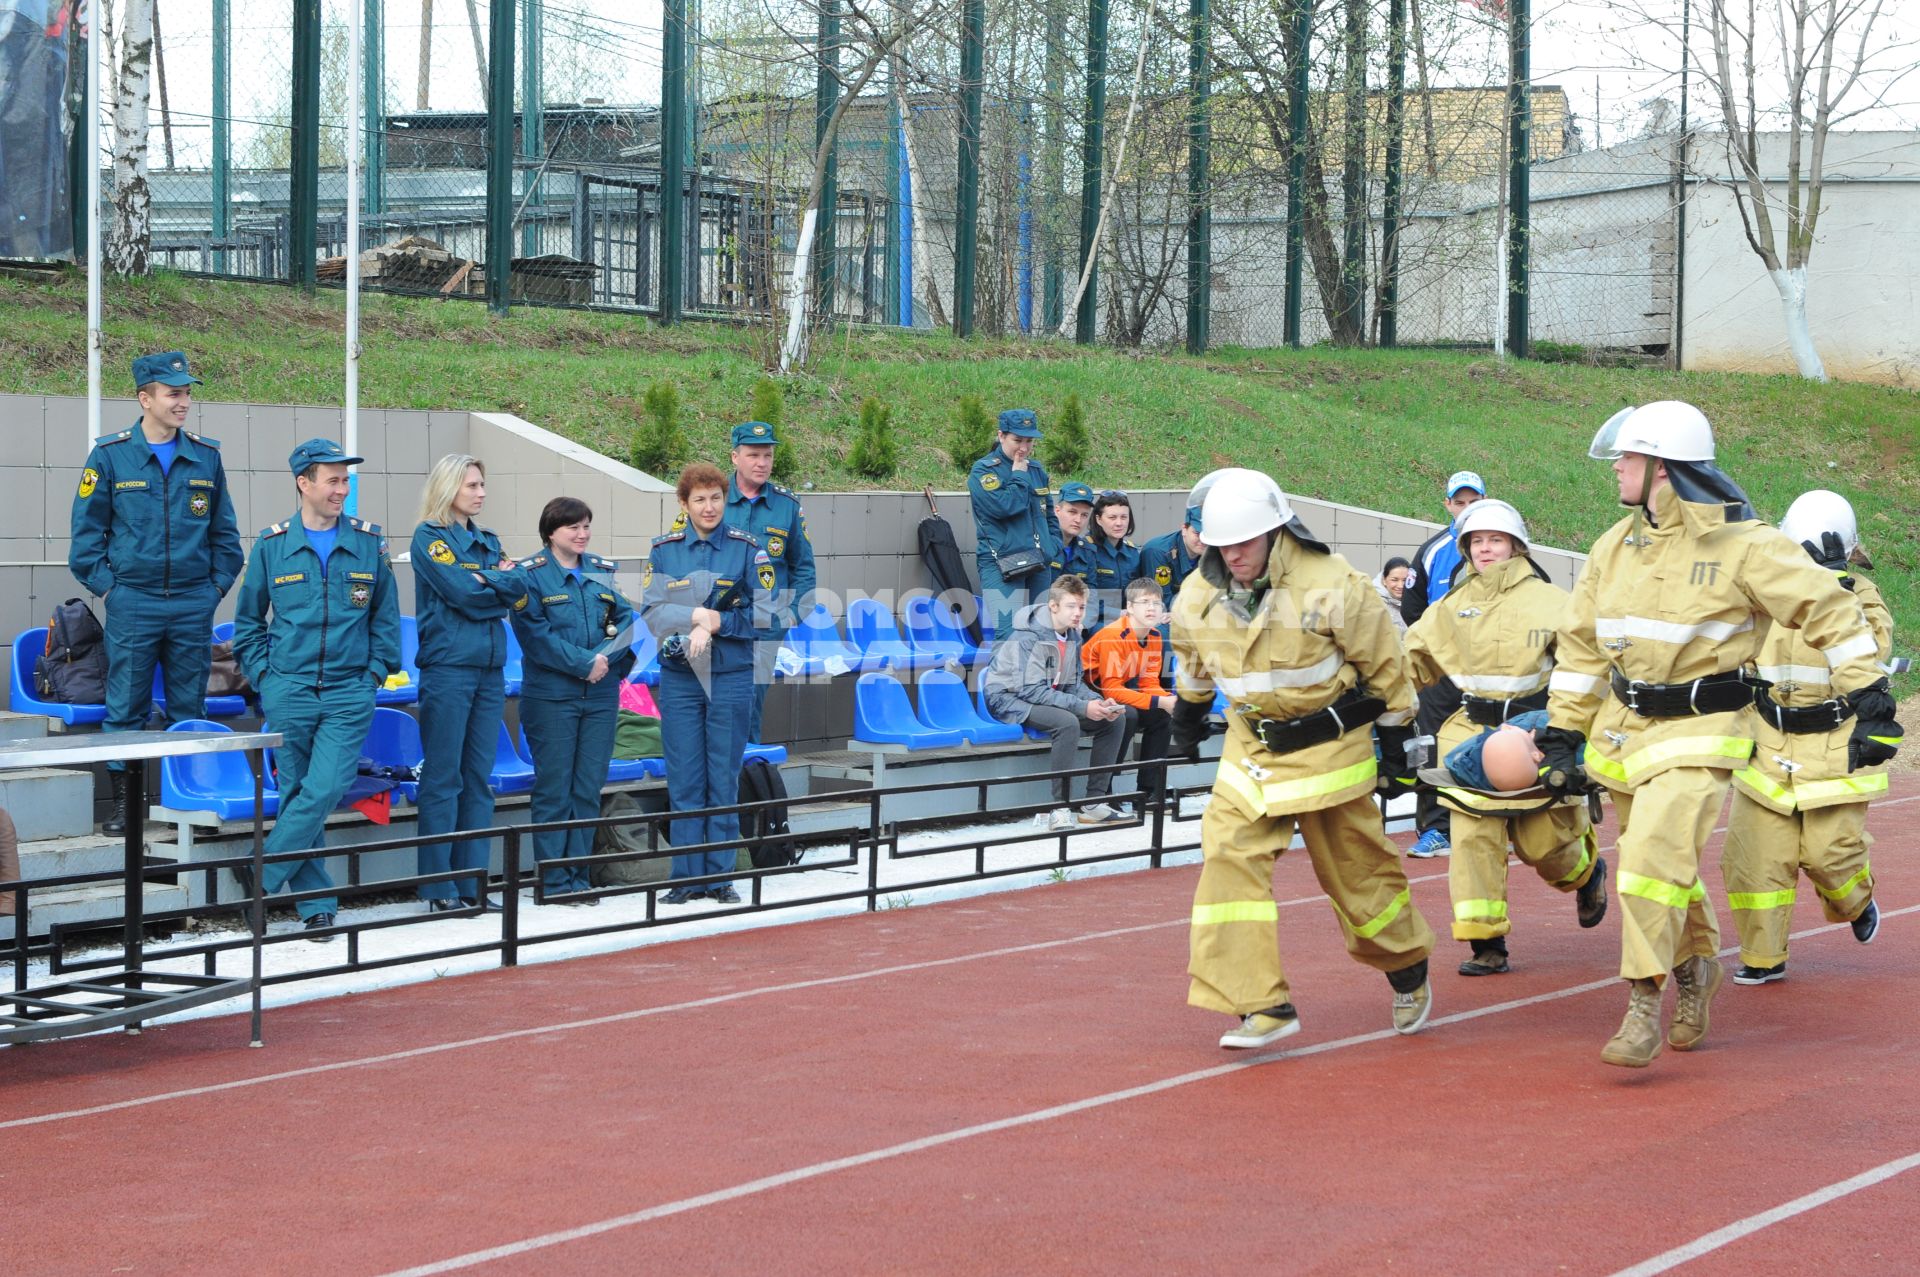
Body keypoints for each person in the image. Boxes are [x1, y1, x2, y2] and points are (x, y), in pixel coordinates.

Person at [1538, 402, 1899, 1068]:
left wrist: (1870, 696)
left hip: (1702, 732)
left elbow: (1830, 608)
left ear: (1664, 468)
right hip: (1624, 733)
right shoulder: (1612, 546)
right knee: (1668, 867)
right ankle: (1697, 967)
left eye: (1629, 456)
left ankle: (1643, 998)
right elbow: (1583, 648)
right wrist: (1563, 732)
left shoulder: (1746, 544)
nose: (1616, 465)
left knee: (1648, 862)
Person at [1167, 468, 1436, 1049]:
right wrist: (1186, 719)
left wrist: (1397, 748)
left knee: (1358, 878)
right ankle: (1260, 1004)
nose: (1233, 554)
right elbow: (1192, 661)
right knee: (1227, 859)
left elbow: (1386, 668)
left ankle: (1406, 964)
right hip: (1252, 751)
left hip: (1328, 751)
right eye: (1221, 545)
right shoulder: (1196, 594)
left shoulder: (1333, 582)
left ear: (1274, 531)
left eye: (1245, 542)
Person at [1402, 499, 1608, 977]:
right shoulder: (1450, 606)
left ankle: (1586, 872)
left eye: (1495, 540)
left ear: (1516, 545)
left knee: (1543, 845)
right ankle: (1485, 942)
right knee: (1471, 838)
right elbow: (1409, 662)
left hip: (1536, 735)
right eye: (1476, 541)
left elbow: (1587, 666)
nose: (1485, 549)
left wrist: (1576, 736)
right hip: (1469, 737)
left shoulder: (1555, 602)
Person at [1721, 489, 1895, 985]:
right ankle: (1762, 956)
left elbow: (1874, 645)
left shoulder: (1859, 593)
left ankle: (1855, 902)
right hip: (1767, 741)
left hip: (1832, 743)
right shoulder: (1761, 589)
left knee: (1829, 857)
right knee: (1752, 859)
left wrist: (1835, 584)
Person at [69, 351, 243, 835]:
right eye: (174, 393)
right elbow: (85, 540)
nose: (184, 401)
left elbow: (225, 538)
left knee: (191, 708)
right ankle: (127, 806)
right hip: (134, 601)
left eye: (187, 392)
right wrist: (112, 592)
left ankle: (189, 801)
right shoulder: (109, 455)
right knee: (125, 707)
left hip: (192, 602)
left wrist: (212, 591)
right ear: (145, 398)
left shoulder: (206, 456)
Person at [232, 439, 400, 939]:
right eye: (333, 480)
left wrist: (373, 673)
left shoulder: (369, 543)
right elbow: (247, 624)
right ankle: (316, 906)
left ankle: (260, 874)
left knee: (324, 787)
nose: (341, 490)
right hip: (290, 689)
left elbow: (385, 620)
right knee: (296, 794)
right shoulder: (271, 545)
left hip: (350, 691)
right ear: (304, 483)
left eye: (345, 481)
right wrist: (266, 678)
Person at [644, 462, 775, 905]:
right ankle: (686, 878)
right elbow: (653, 612)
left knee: (722, 776)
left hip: (731, 676)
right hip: (681, 678)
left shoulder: (747, 550)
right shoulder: (664, 551)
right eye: (699, 499)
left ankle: (719, 878)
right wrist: (696, 617)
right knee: (684, 779)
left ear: (725, 499)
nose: (709, 506)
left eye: (716, 497)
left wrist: (717, 622)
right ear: (684, 505)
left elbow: (767, 613)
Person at [410, 455, 526, 913]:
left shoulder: (487, 540)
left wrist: (489, 581)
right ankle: (440, 886)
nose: (480, 492)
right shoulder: (429, 538)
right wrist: (493, 584)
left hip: (489, 669)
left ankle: (471, 882)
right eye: (472, 485)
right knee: (443, 777)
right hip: (449, 668)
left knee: (479, 777)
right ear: (449, 487)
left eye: (482, 484)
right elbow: (462, 593)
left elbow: (517, 591)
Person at [511, 497, 636, 904]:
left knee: (586, 788)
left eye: (586, 526)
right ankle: (552, 880)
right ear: (551, 532)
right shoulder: (530, 576)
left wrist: (604, 660)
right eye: (573, 528)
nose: (582, 534)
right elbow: (534, 635)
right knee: (554, 789)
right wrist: (585, 663)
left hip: (599, 697)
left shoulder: (601, 571)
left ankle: (578, 879)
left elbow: (628, 622)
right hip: (552, 698)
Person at [982, 574, 1129, 831]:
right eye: (1071, 606)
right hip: (1008, 698)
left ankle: (1094, 803)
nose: (1077, 613)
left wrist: (1099, 702)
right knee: (1067, 722)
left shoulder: (1072, 636)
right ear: (1053, 606)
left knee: (1114, 720)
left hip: (1042, 695)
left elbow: (1073, 684)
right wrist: (1082, 707)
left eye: (1081, 607)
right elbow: (1031, 691)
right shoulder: (1029, 637)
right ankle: (1059, 808)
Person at [1402, 472, 1486, 860]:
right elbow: (1411, 606)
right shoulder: (1434, 549)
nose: (1466, 509)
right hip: (1440, 672)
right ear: (1448, 505)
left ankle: (1493, 820)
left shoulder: (1502, 546)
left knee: (1489, 741)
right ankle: (1436, 828)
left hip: (1489, 669)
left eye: (1474, 501)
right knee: (1431, 745)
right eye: (1460, 502)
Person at [720, 420, 816, 743]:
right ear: (735, 457)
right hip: (720, 624)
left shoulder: (786, 506)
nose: (762, 463)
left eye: (768, 455)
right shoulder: (712, 500)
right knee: (716, 708)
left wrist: (789, 616)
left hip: (764, 625)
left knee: (749, 706)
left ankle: (747, 785)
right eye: (753, 455)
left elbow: (803, 568)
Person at [1082, 578, 1175, 810]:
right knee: (1127, 715)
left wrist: (1167, 701)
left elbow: (1149, 683)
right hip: (1085, 692)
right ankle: (1105, 790)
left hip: (1114, 690)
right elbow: (1110, 688)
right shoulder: (1114, 634)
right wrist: (1159, 700)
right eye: (1144, 602)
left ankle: (1148, 793)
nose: (1152, 608)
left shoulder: (1154, 636)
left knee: (1161, 716)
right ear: (1130, 607)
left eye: (1157, 603)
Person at [969, 409, 1060, 643]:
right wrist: (1018, 475)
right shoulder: (985, 470)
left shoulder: (1037, 470)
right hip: (1001, 563)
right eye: (1017, 440)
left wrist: (1053, 546)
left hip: (1038, 561)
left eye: (1029, 441)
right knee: (1009, 634)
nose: (1024, 448)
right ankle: (1003, 681)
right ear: (1001, 436)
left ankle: (1033, 681)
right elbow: (1005, 507)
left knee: (1040, 633)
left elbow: (1048, 512)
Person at [1086, 490, 1143, 629]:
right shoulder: (1086, 551)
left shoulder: (1133, 552)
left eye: (1124, 517)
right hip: (1096, 621)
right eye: (1112, 517)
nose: (1119, 523)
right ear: (1099, 519)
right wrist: (1118, 613)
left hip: (1129, 619)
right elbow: (1085, 600)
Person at [1138, 500, 1204, 610]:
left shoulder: (1214, 550)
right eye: (1197, 533)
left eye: (1207, 534)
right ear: (1184, 529)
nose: (1203, 540)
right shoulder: (1158, 552)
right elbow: (1161, 602)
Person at [1048, 482, 1098, 590]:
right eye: (1072, 512)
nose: (1078, 520)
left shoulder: (1088, 551)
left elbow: (1090, 595)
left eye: (1084, 515)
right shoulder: (1042, 545)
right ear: (1057, 511)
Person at [1373, 557, 1412, 634]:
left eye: (1405, 580)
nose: (1400, 586)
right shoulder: (1373, 604)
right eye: (1394, 580)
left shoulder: (1417, 603)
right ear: (1384, 580)